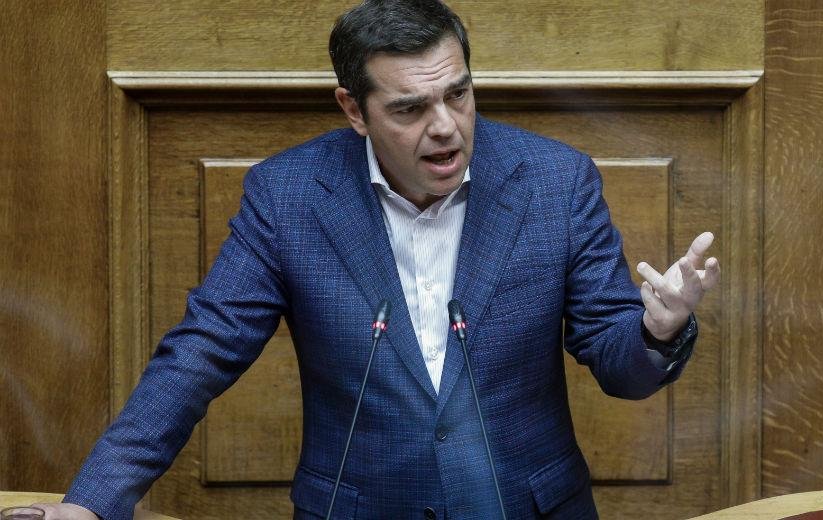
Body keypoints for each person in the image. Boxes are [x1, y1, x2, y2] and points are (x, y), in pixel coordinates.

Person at [37, 0, 719, 518]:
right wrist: (93, 502)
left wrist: (657, 330)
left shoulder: (555, 181)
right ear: (354, 110)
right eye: (410, 109)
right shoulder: (288, 197)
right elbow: (201, 352)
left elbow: (620, 367)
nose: (445, 126)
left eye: (457, 94)